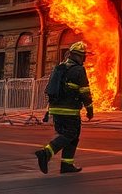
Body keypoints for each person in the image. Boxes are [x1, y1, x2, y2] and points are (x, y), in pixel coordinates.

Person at [35, 42, 94, 175]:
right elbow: (85, 91)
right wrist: (90, 109)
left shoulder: (60, 67)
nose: (84, 59)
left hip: (55, 109)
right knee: (70, 135)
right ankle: (45, 153)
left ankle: (67, 164)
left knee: (71, 136)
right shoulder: (79, 70)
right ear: (78, 56)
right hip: (69, 110)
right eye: (83, 56)